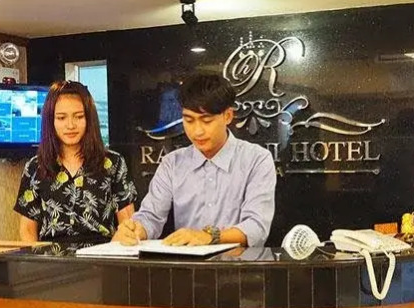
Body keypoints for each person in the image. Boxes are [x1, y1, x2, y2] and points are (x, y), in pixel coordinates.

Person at [112, 74, 276, 247]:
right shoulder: (172, 163)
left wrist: (210, 236)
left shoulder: (257, 159)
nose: (197, 131)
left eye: (206, 121)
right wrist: (136, 230)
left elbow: (257, 227)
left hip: (240, 262)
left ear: (228, 116)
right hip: (185, 263)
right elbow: (151, 217)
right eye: (189, 120)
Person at [15, 81, 137, 242]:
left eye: (79, 117)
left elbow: (128, 223)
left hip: (102, 253)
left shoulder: (113, 163)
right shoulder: (35, 167)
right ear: (50, 121)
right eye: (61, 118)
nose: (70, 125)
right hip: (50, 255)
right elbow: (27, 230)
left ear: (89, 119)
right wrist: (33, 257)